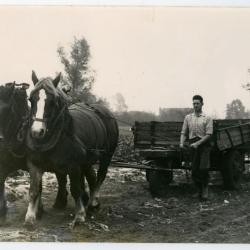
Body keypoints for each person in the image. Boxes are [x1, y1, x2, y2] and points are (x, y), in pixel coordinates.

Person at [180, 95, 213, 201]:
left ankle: (205, 190)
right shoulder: (188, 117)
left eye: (197, 103)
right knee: (194, 170)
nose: (195, 105)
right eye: (194, 103)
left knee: (203, 168)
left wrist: (198, 143)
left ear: (202, 104)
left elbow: (209, 134)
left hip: (204, 146)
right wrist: (181, 143)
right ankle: (198, 190)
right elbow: (184, 132)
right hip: (192, 146)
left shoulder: (207, 118)